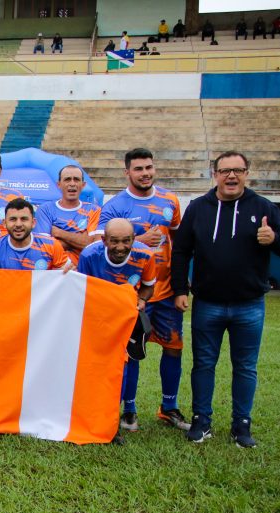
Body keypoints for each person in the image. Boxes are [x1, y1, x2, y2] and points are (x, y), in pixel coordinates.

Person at [171, 151, 280, 448]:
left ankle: (241, 424)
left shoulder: (263, 207)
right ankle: (202, 420)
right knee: (203, 364)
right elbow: (181, 251)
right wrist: (179, 290)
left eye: (237, 170)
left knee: (245, 367)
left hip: (249, 304)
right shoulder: (199, 208)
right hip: (207, 303)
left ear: (246, 173)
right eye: (225, 170)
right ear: (214, 174)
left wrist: (273, 239)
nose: (231, 176)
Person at [93, 148, 189, 433]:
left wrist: (182, 286)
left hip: (167, 291)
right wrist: (140, 241)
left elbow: (179, 243)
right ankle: (129, 410)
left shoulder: (169, 201)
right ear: (127, 172)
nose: (145, 173)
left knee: (173, 347)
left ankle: (168, 407)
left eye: (148, 167)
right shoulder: (114, 206)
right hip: (132, 295)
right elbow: (102, 246)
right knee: (132, 352)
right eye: (138, 169)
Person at [77, 219, 157, 437]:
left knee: (129, 361)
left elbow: (149, 287)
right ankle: (94, 411)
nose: (120, 247)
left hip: (128, 318)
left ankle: (128, 410)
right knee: (96, 364)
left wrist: (141, 300)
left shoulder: (146, 255)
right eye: (114, 241)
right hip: (98, 318)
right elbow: (80, 289)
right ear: (104, 240)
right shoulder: (89, 256)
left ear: (133, 240)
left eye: (126, 241)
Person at [0, 198, 71, 271]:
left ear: (33, 223)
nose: (18, 224)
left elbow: (67, 278)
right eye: (13, 219)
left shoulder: (52, 246)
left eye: (24, 219)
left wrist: (69, 271)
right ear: (4, 223)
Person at [33, 165, 99, 264]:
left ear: (83, 184)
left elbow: (92, 245)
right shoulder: (45, 209)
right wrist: (79, 239)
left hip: (82, 271)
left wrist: (58, 233)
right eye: (67, 179)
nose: (72, 184)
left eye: (76, 179)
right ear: (58, 184)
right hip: (54, 270)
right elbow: (44, 247)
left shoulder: (94, 210)